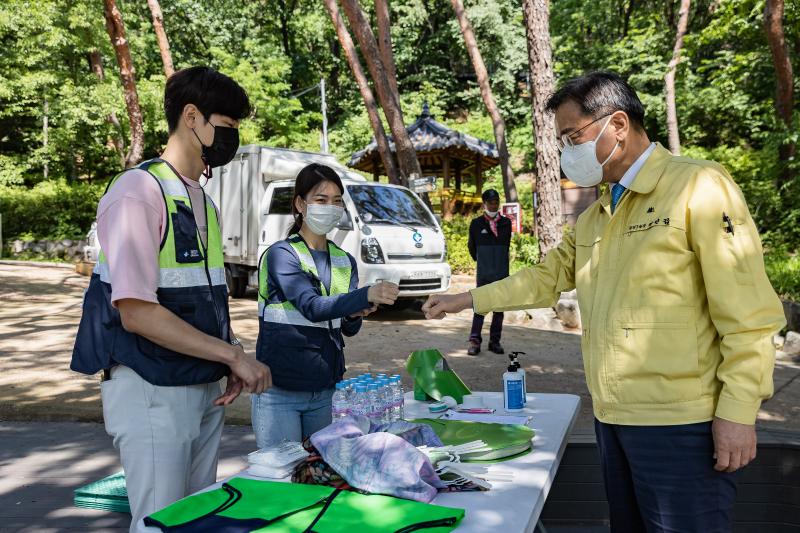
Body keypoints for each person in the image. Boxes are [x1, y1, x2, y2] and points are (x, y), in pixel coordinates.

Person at [423, 71, 785, 532]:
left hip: (683, 424)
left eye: (572, 136)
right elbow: (546, 276)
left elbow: (748, 316)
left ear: (618, 124)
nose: (566, 151)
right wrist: (467, 299)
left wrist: (738, 411)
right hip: (613, 418)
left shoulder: (697, 187)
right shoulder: (598, 215)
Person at [71, 66, 271, 532]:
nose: (230, 140)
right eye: (226, 127)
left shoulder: (201, 199)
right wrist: (231, 356)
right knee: (161, 523)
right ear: (191, 116)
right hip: (151, 388)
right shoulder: (138, 193)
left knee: (195, 521)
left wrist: (229, 356)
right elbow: (137, 312)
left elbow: (202, 299)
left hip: (202, 387)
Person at [251, 163, 399, 448]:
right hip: (280, 390)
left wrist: (356, 312)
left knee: (320, 477)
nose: (330, 207)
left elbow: (346, 327)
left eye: (336, 201)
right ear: (300, 204)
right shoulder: (282, 254)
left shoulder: (345, 259)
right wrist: (365, 295)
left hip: (326, 388)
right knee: (282, 480)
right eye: (321, 200)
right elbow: (312, 307)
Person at [467, 188, 512, 355]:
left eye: (496, 202)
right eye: (490, 202)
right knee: (480, 307)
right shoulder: (476, 224)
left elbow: (506, 246)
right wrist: (483, 262)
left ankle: (495, 341)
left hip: (501, 273)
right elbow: (472, 247)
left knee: (499, 308)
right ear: (484, 204)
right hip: (484, 273)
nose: (494, 205)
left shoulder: (506, 223)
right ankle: (474, 342)